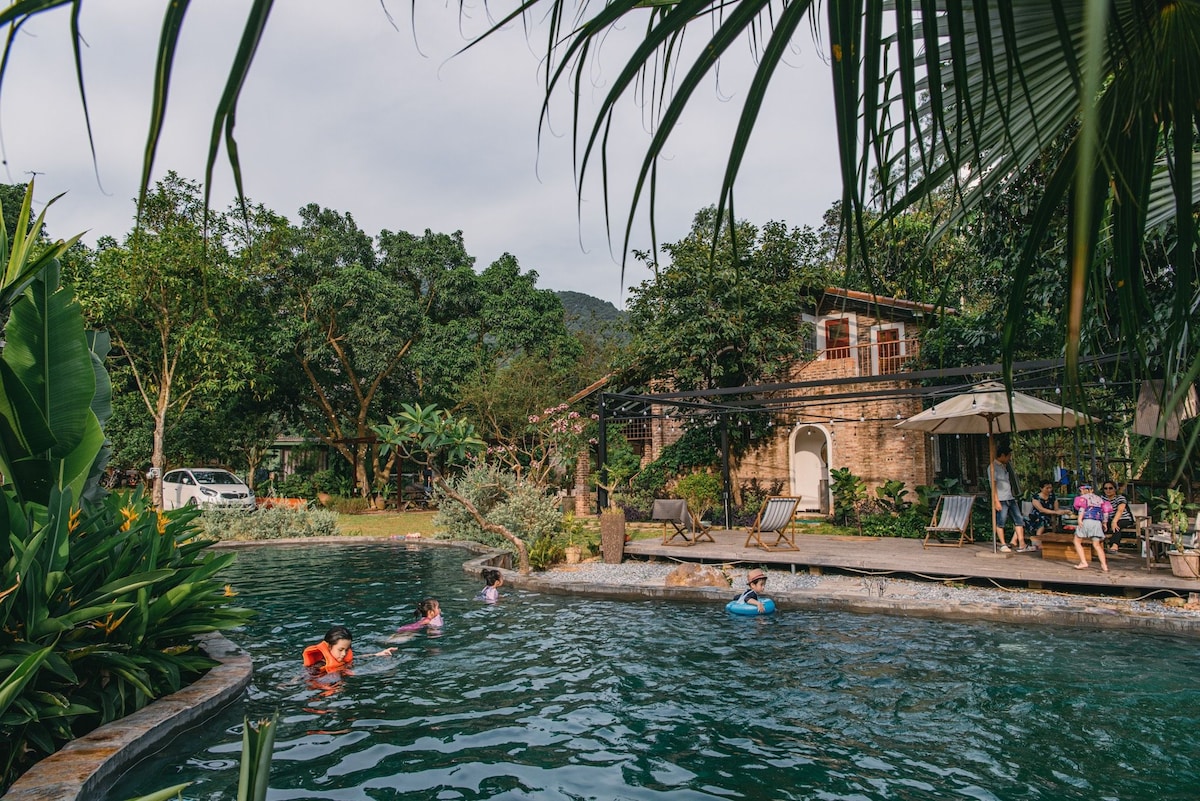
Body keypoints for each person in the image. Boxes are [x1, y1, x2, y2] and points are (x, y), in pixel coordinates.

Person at [302, 625, 395, 673]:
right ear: (329, 647)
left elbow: (357, 658)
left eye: (346, 650)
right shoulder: (320, 665)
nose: (343, 654)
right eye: (340, 650)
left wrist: (378, 654)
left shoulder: (343, 659)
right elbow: (304, 675)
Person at [990, 445, 1026, 552]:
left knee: (1019, 519)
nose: (1009, 458)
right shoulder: (993, 468)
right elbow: (994, 485)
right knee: (1001, 521)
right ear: (1002, 455)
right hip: (1001, 499)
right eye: (1008, 456)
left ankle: (1022, 543)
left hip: (1010, 497)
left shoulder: (1004, 466)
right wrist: (996, 501)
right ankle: (1002, 544)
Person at [1072, 482, 1111, 572]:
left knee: (1077, 541)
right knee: (1097, 545)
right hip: (1097, 522)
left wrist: (1079, 519)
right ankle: (1104, 565)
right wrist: (1104, 523)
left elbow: (1082, 509)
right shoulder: (1100, 499)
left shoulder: (1082, 498)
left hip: (1086, 520)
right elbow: (1105, 512)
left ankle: (1083, 562)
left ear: (1082, 490)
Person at [1026, 479, 1067, 550]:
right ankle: (1038, 540)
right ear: (1041, 488)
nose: (1049, 490)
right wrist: (1054, 512)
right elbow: (1041, 509)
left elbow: (1056, 509)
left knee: (1045, 519)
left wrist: (1064, 511)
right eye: (1047, 488)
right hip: (1036, 516)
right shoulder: (1036, 497)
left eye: (1050, 488)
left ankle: (1051, 538)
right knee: (1042, 519)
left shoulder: (1052, 497)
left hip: (1049, 515)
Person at [1100, 481, 1136, 552]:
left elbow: (1120, 510)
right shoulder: (1102, 499)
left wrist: (1114, 521)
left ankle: (1115, 545)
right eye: (1105, 488)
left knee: (1116, 525)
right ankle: (1099, 544)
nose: (1108, 490)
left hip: (1124, 518)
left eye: (1110, 488)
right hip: (1109, 519)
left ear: (1115, 489)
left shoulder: (1120, 498)